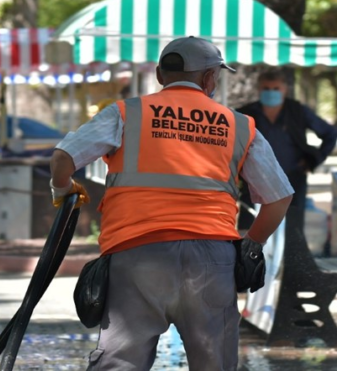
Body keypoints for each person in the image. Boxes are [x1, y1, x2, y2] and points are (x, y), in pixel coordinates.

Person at [49, 36, 294, 370]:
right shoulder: (239, 126)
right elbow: (279, 197)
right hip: (212, 261)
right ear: (210, 78)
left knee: (120, 363)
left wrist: (63, 189)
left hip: (136, 254)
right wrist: (252, 244)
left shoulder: (126, 114)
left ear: (159, 74)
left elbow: (63, 158)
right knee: (215, 363)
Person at [237, 70, 337, 231]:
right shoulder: (246, 113)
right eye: (266, 88)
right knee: (249, 227)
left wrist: (314, 160)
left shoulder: (298, 111)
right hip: (254, 180)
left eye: (276, 88)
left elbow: (330, 133)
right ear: (258, 89)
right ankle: (249, 256)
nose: (271, 92)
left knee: (293, 230)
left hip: (292, 177)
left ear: (285, 89)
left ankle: (291, 257)